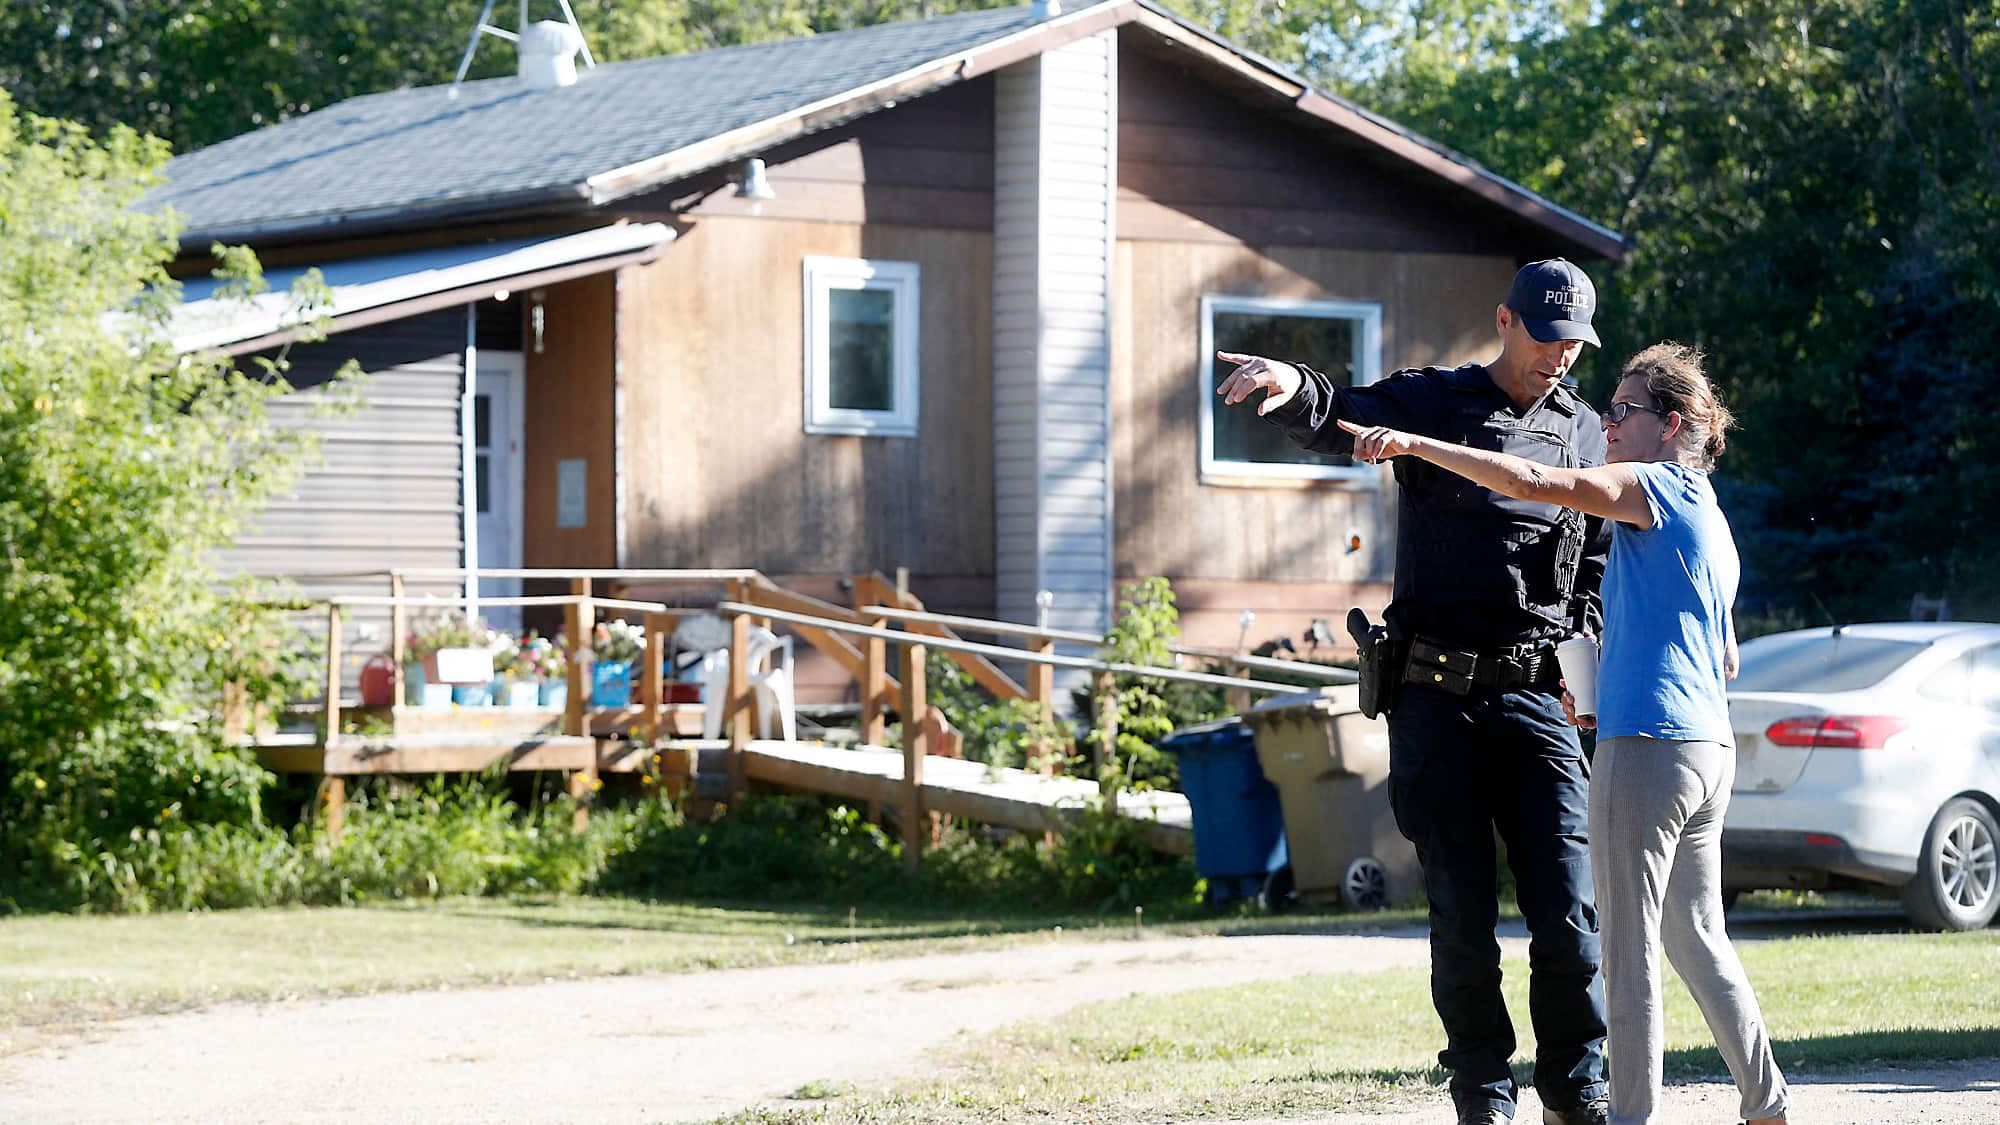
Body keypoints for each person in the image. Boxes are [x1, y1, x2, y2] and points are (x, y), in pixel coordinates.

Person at [1336, 342, 1789, 1125]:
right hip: (1705, 751)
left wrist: (1413, 443)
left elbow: (1536, 481)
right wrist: (1601, 687)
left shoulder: (1650, 486)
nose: (1606, 423)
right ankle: (1767, 1102)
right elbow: (1723, 653)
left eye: (1623, 411)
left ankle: (1632, 1117)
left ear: (1669, 423)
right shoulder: (1712, 517)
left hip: (1647, 748)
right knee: (1698, 937)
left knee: (1627, 950)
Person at [1217, 259, 1612, 1125]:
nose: (1560, 359)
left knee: (1569, 910)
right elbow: (1342, 411)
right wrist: (1291, 385)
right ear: (1506, 321)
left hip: (1539, 698)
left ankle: (1576, 1085)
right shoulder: (1437, 399)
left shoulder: (1585, 430)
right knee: (1462, 914)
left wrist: (1589, 665)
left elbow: (1595, 562)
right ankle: (1482, 1088)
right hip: (1438, 698)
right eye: (1548, 340)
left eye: (1575, 346)